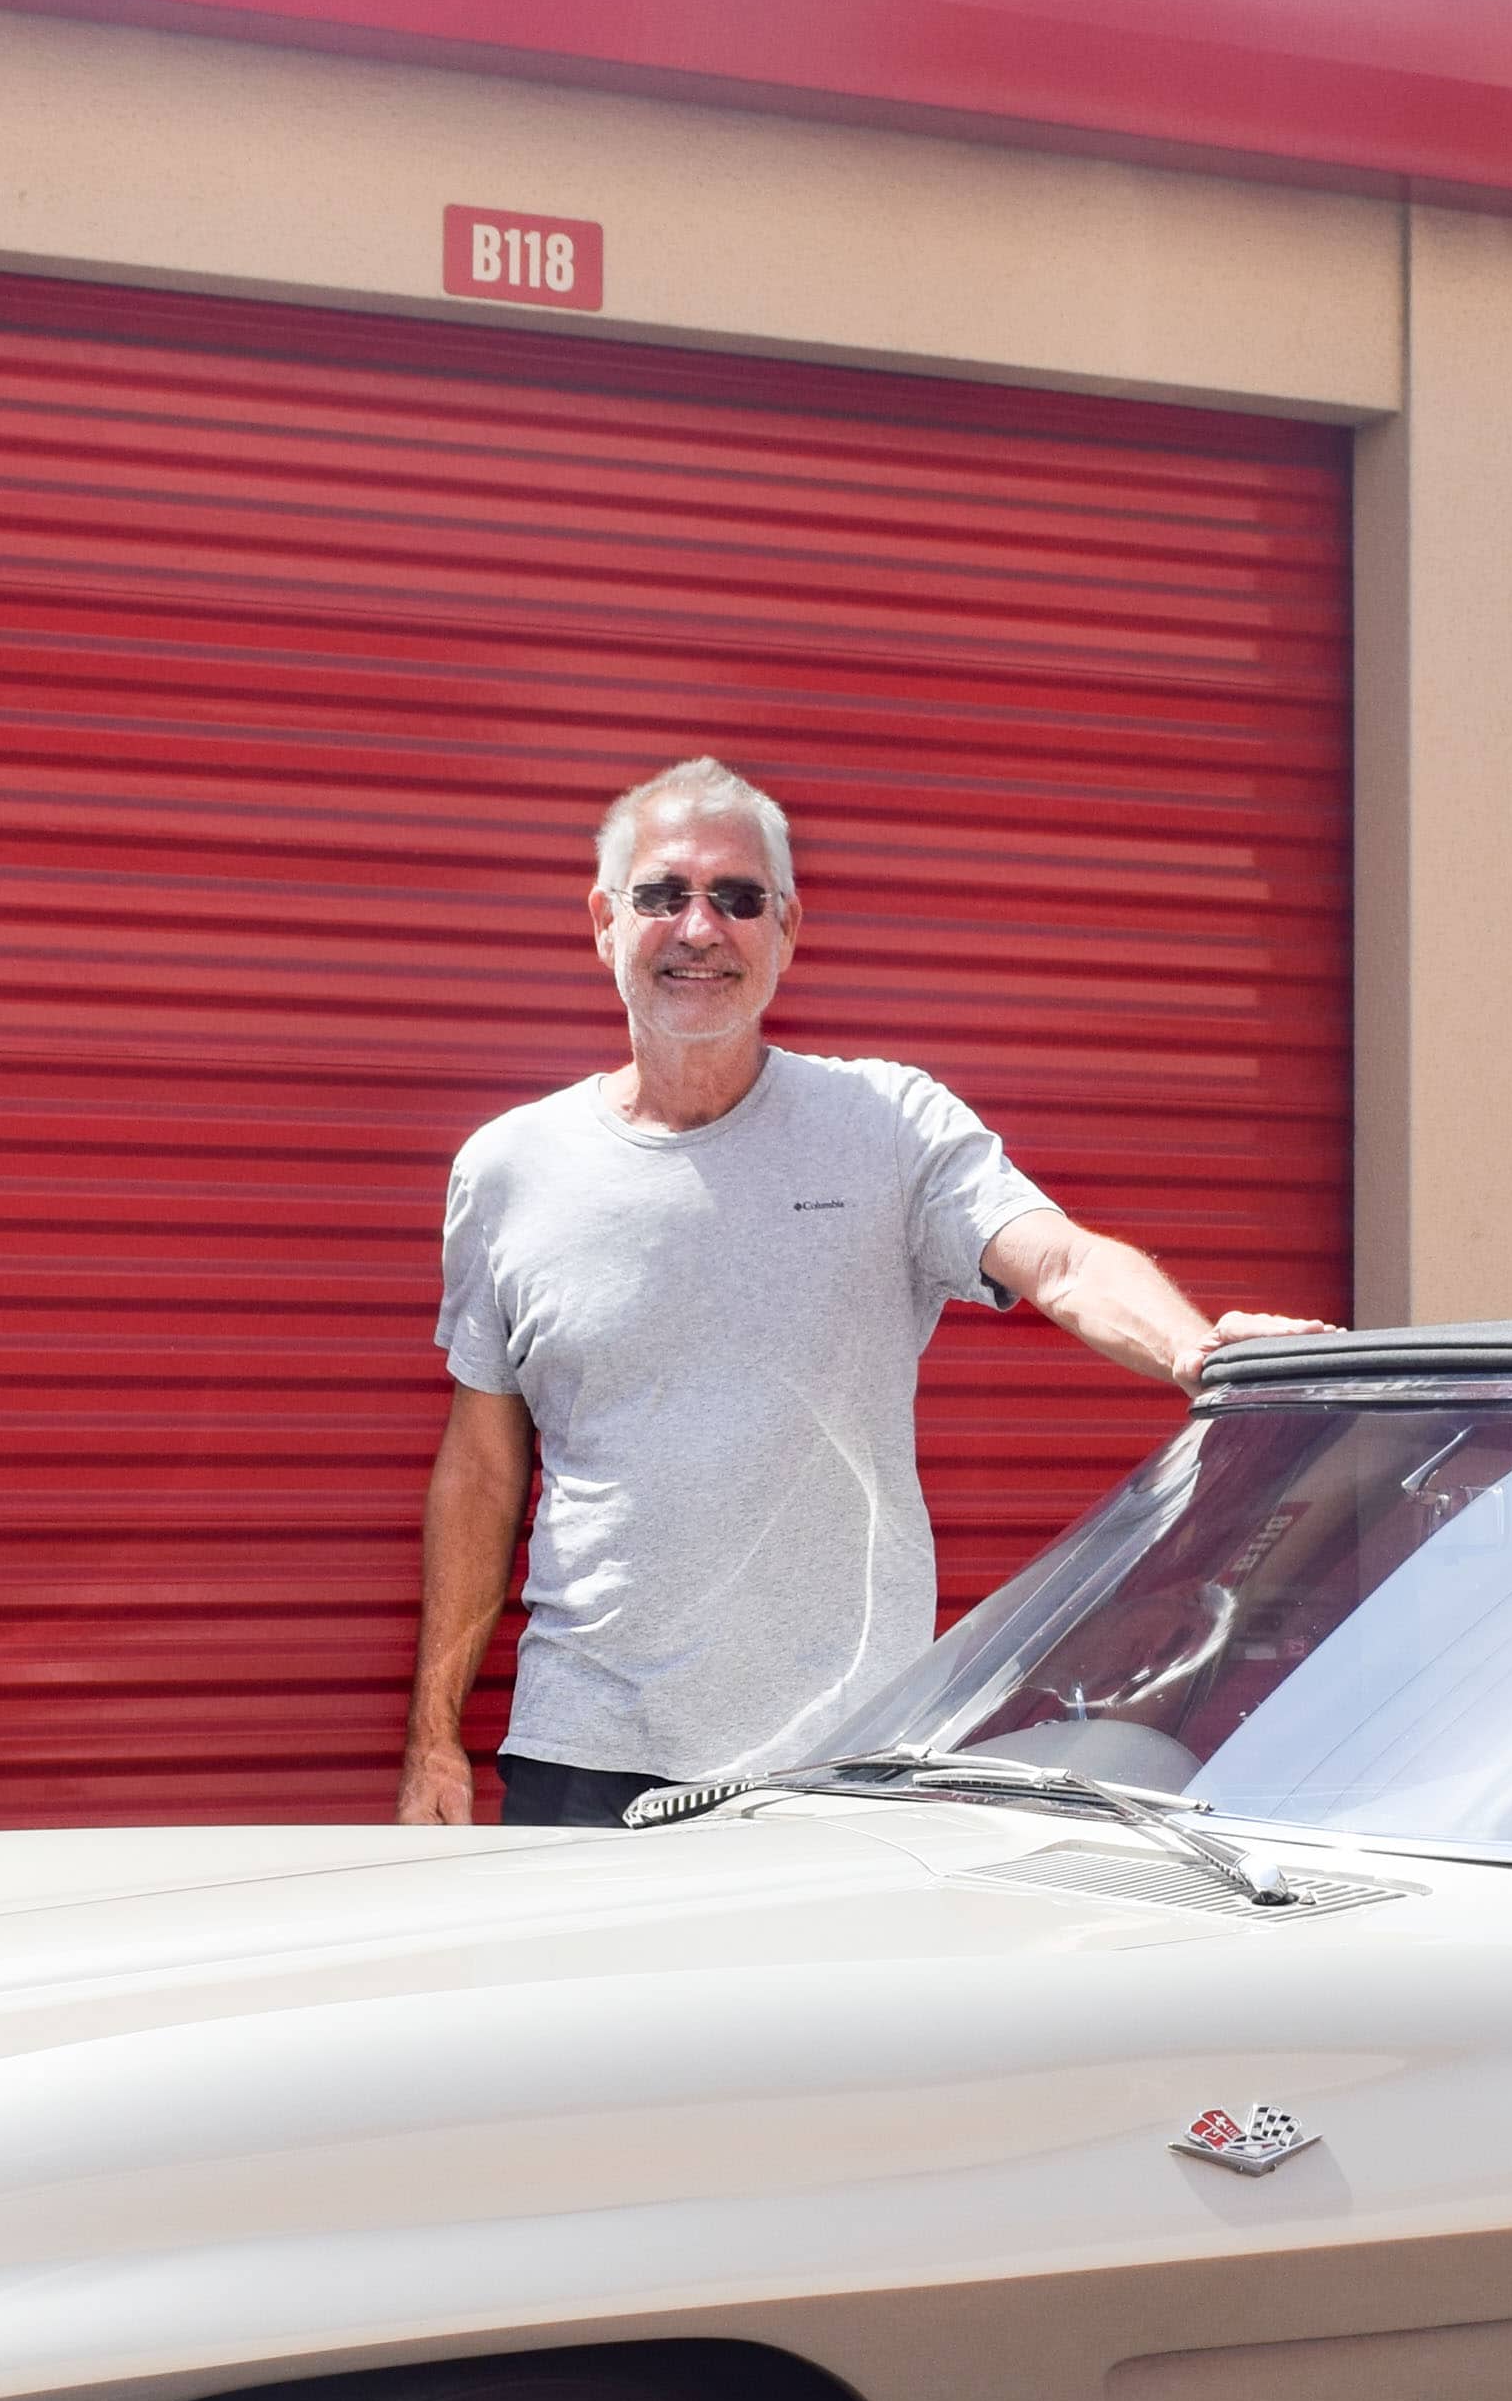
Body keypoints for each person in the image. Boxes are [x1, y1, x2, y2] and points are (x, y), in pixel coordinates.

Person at [401, 758, 1327, 1828]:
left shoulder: (886, 1127)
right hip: (580, 1754)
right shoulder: (510, 1165)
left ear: (785, 930)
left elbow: (1062, 1261)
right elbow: (480, 1462)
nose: (698, 927)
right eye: (662, 894)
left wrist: (1196, 1351)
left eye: (737, 898)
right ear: (604, 920)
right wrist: (434, 1738)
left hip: (837, 1760)